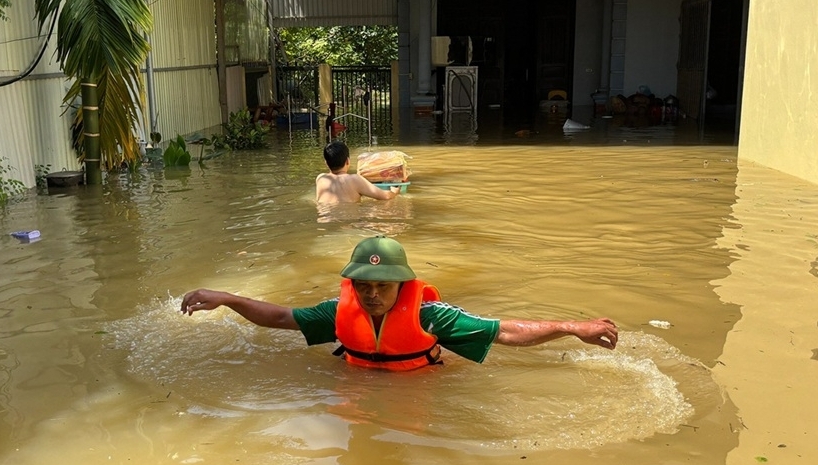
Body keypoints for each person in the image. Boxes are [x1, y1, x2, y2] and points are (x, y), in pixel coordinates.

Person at [180, 236, 619, 371]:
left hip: (419, 388)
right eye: (364, 286)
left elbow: (503, 330)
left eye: (384, 286)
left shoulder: (428, 315)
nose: (372, 294)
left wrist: (572, 328)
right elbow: (279, 316)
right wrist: (227, 298)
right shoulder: (339, 311)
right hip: (355, 389)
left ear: (403, 284)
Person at [316, 140, 400, 204]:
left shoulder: (320, 178)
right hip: (348, 224)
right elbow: (385, 196)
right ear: (348, 161)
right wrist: (394, 192)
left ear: (326, 163)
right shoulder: (354, 179)